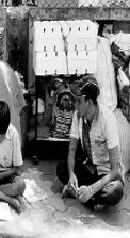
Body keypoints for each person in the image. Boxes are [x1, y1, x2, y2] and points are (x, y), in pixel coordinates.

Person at [53, 76, 124, 210]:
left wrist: (91, 189)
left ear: (90, 102)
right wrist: (72, 174)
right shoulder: (77, 115)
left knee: (115, 192)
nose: (75, 105)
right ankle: (89, 198)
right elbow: (72, 150)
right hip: (90, 169)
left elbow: (115, 170)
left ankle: (81, 194)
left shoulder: (108, 120)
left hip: (106, 174)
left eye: (79, 101)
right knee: (62, 168)